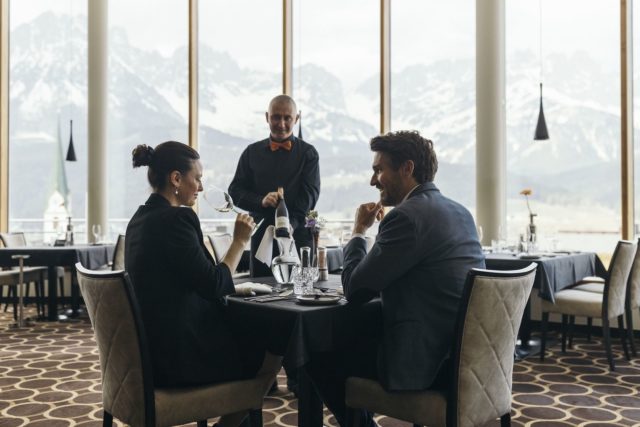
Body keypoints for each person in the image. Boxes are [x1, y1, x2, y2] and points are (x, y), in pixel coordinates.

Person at [306, 131, 485, 426]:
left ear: (407, 168)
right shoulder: (460, 212)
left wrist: (359, 232)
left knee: (316, 349)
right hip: (467, 359)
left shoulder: (406, 217)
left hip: (427, 363)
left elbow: (355, 288)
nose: (373, 181)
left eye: (379, 169)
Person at [125, 141, 282, 427]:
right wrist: (239, 241)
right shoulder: (178, 219)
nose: (199, 187)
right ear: (176, 179)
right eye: (196, 178)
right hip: (180, 358)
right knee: (274, 343)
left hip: (147, 356)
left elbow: (190, 280)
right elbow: (214, 285)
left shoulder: (139, 220)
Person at [229, 94, 320, 277]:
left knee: (300, 294)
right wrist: (260, 201)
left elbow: (310, 195)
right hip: (261, 236)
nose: (281, 123)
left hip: (299, 236)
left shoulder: (308, 154)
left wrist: (289, 225)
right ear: (266, 117)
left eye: (287, 118)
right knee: (260, 294)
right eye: (276, 117)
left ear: (296, 119)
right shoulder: (251, 153)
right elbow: (234, 191)